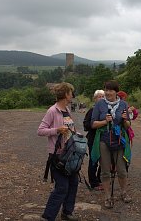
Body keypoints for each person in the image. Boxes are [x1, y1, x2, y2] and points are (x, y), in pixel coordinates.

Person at [37, 82, 79, 221]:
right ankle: (48, 217)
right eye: (71, 92)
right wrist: (56, 130)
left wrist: (77, 135)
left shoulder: (67, 109)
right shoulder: (52, 111)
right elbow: (40, 131)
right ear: (66, 94)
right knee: (62, 187)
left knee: (73, 184)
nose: (72, 95)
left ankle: (67, 212)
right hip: (58, 155)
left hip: (70, 153)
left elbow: (70, 129)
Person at [90, 80, 132, 209]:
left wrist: (125, 120)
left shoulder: (123, 104)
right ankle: (108, 196)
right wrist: (104, 121)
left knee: (121, 170)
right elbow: (93, 124)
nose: (108, 93)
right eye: (106, 90)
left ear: (116, 92)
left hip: (119, 140)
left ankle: (124, 193)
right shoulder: (99, 104)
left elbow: (128, 125)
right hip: (104, 140)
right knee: (105, 171)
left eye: (111, 90)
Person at [83, 90, 104, 191]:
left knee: (104, 161)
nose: (101, 98)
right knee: (94, 160)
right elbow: (86, 125)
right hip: (93, 139)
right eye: (99, 97)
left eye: (102, 96)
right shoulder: (92, 110)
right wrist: (96, 125)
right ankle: (93, 182)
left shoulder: (106, 110)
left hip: (104, 139)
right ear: (95, 99)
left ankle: (99, 179)